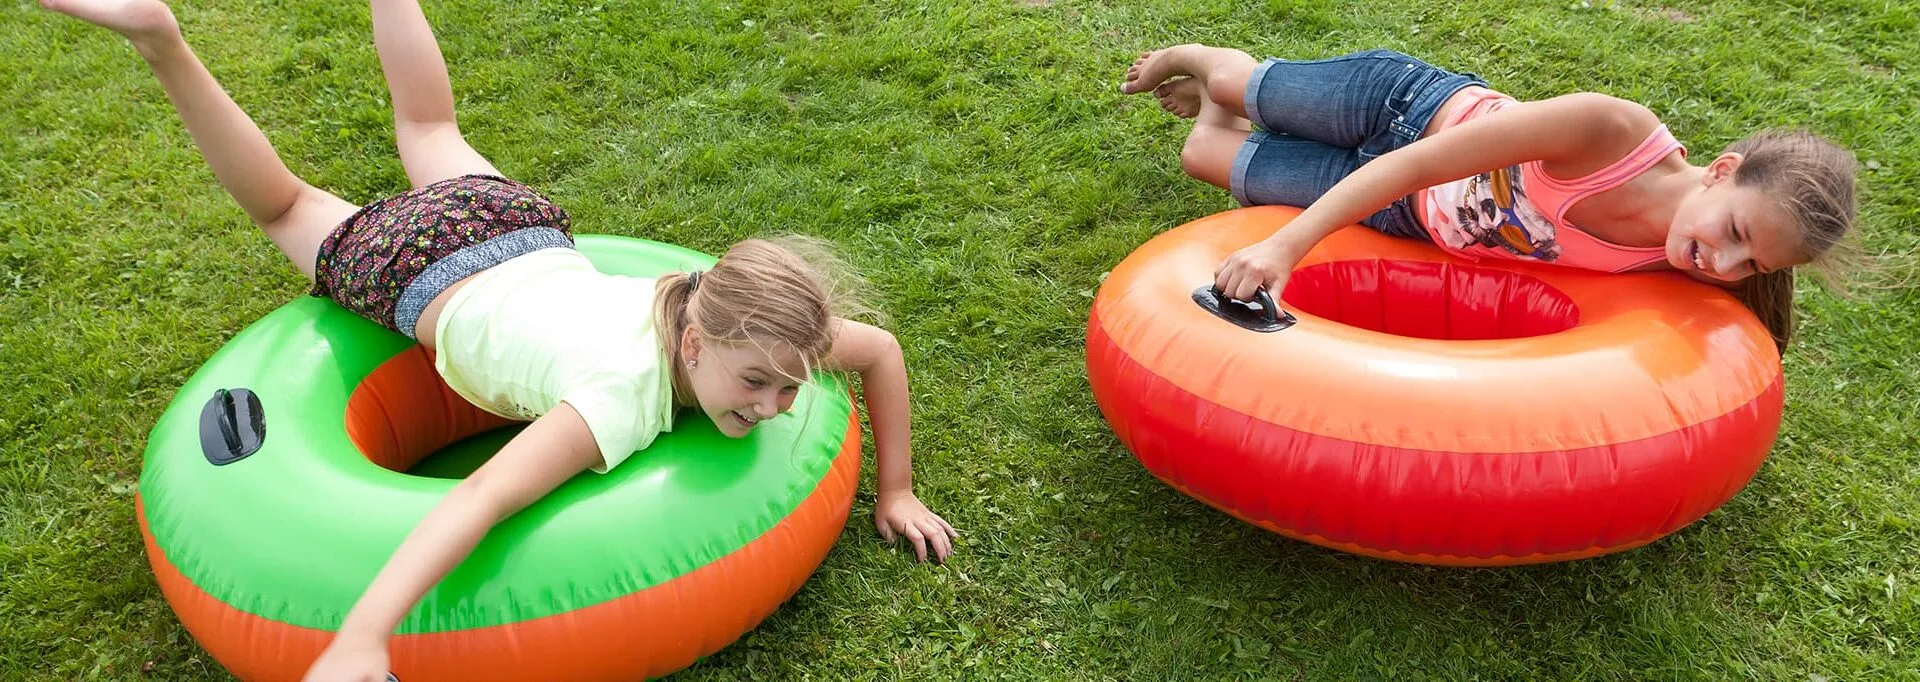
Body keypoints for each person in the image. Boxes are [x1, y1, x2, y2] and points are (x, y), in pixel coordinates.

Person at [40, 1, 958, 679]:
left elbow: (878, 350)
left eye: (790, 387)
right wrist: (362, 635)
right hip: (417, 269)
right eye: (758, 383)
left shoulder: (718, 310)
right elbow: (480, 498)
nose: (776, 406)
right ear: (692, 347)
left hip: (516, 227)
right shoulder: (618, 398)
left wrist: (897, 489)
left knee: (430, 125)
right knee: (284, 205)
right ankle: (161, 41)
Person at [1121, 44, 1859, 350]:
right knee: (1238, 85)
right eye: (1735, 232)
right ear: (1723, 171)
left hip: (1403, 216)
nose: (1721, 263)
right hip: (1403, 113)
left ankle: (1213, 108)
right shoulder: (1609, 132)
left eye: (1750, 263)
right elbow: (1414, 163)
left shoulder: (1679, 263)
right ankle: (1199, 63)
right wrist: (1285, 246)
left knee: (1201, 156)